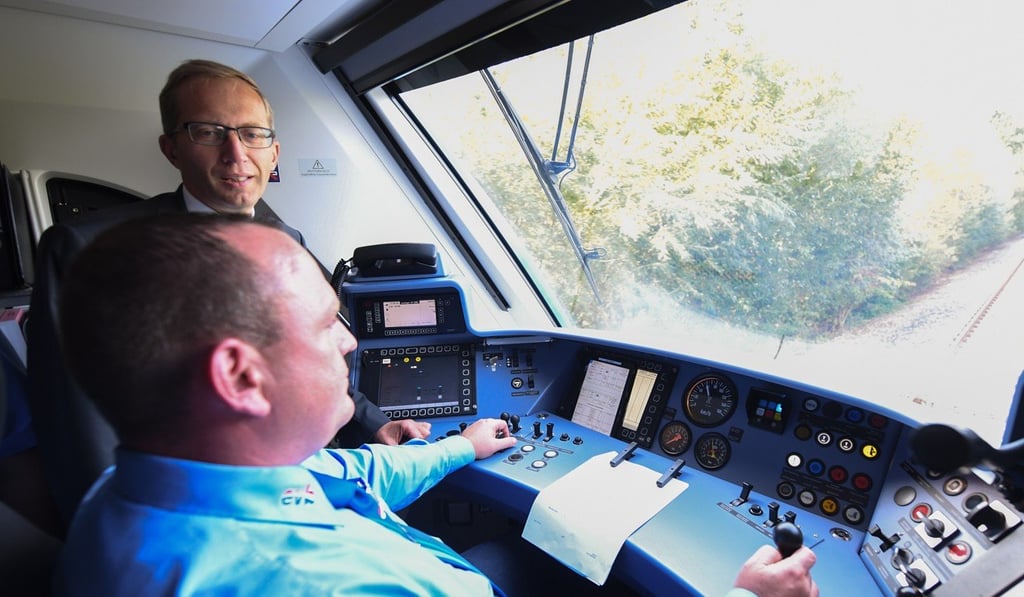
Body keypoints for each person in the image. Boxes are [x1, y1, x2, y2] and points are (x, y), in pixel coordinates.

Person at [53, 213, 817, 597]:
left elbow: (346, 472)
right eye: (327, 324)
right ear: (242, 378)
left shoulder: (134, 490)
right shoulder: (322, 584)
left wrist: (464, 446)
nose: (352, 342)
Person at [26, 59, 426, 530]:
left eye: (252, 134)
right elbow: (70, 415)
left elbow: (306, 355)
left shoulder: (288, 239)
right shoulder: (84, 246)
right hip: (169, 516)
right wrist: (114, 532)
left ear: (274, 152)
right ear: (171, 148)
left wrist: (372, 422)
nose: (236, 154)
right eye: (210, 132)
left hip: (290, 491)